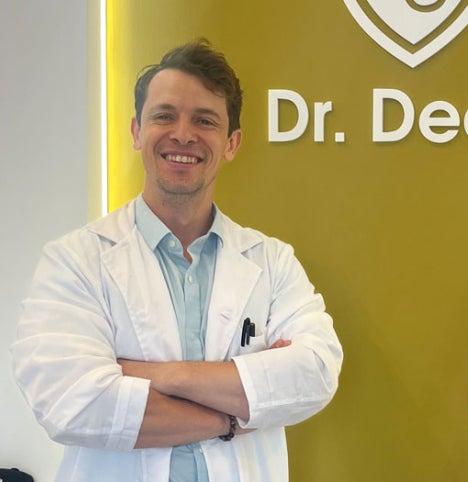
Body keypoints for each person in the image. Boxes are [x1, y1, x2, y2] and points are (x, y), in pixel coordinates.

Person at [11, 39, 343, 482]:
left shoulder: (272, 262)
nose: (183, 134)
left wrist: (150, 375)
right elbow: (70, 403)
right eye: (164, 115)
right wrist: (233, 415)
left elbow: (314, 376)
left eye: (204, 120)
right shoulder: (75, 260)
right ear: (135, 131)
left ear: (231, 143)